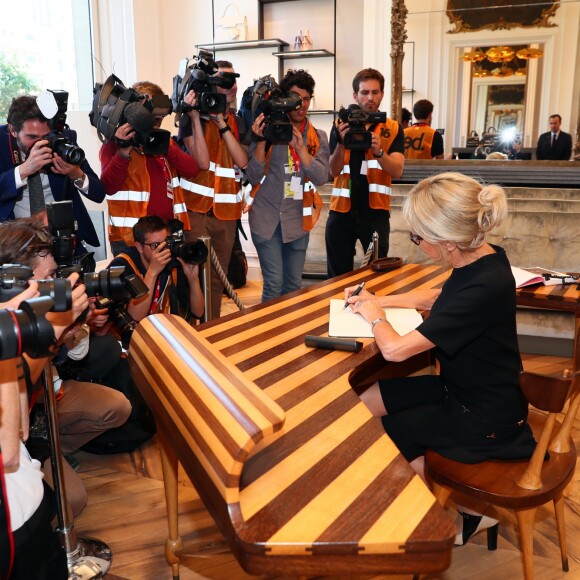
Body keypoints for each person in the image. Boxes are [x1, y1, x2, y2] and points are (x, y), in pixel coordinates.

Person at [344, 172, 536, 547]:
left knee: (394, 425)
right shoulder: (486, 258)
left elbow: (395, 351)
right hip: (466, 390)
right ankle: (463, 510)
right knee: (368, 399)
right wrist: (377, 300)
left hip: (483, 417)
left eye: (418, 237)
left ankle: (431, 519)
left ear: (447, 243)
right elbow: (437, 297)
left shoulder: (484, 285)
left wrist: (374, 317)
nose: (416, 243)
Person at [0, 216, 132, 517]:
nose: (57, 285)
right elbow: (16, 426)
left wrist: (66, 332)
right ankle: (46, 452)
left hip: (47, 403)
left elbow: (61, 363)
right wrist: (55, 330)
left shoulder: (29, 315)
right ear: (13, 282)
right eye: (47, 278)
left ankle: (57, 447)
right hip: (19, 432)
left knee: (117, 407)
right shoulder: (5, 326)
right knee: (70, 501)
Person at [0, 285, 68, 579]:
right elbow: (8, 452)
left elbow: (19, 427)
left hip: (27, 499)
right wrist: (7, 337)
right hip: (13, 526)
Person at [99, 81, 210, 256]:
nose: (155, 122)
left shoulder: (165, 142)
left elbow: (191, 170)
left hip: (166, 234)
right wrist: (123, 151)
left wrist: (161, 142)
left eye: (159, 118)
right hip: (130, 239)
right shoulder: (114, 143)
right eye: (150, 116)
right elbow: (108, 187)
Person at [246, 69, 329, 302]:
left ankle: (289, 336)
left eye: (306, 98)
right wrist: (261, 142)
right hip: (266, 218)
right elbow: (252, 176)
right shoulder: (267, 130)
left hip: (297, 221)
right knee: (274, 284)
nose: (300, 104)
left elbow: (322, 177)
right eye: (295, 98)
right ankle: (269, 337)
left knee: (293, 287)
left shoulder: (318, 136)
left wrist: (301, 149)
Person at [179, 60, 248, 319]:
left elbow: (242, 161)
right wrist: (197, 119)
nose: (231, 86)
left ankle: (213, 331)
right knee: (193, 275)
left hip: (227, 214)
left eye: (234, 81)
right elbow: (202, 161)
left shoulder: (237, 122)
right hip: (196, 210)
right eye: (224, 81)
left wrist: (222, 124)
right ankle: (189, 333)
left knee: (218, 280)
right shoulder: (190, 118)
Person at [326, 68, 405, 279]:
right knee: (336, 277)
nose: (370, 98)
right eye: (364, 92)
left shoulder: (393, 128)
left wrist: (379, 152)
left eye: (375, 92)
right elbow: (332, 171)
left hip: (375, 213)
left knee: (376, 275)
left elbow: (397, 170)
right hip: (341, 212)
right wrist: (341, 145)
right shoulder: (340, 124)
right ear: (355, 95)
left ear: (382, 94)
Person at [0, 95, 106, 250]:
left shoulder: (64, 138)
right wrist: (22, 171)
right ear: (12, 131)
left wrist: (76, 174)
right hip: (15, 241)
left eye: (45, 136)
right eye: (32, 137)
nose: (40, 143)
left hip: (61, 236)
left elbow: (98, 193)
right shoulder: (1, 143)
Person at [107, 215, 204, 323]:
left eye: (166, 242)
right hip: (121, 336)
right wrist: (152, 273)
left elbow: (198, 312)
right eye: (156, 245)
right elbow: (134, 319)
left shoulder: (173, 262)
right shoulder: (122, 265)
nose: (163, 250)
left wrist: (193, 279)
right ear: (139, 247)